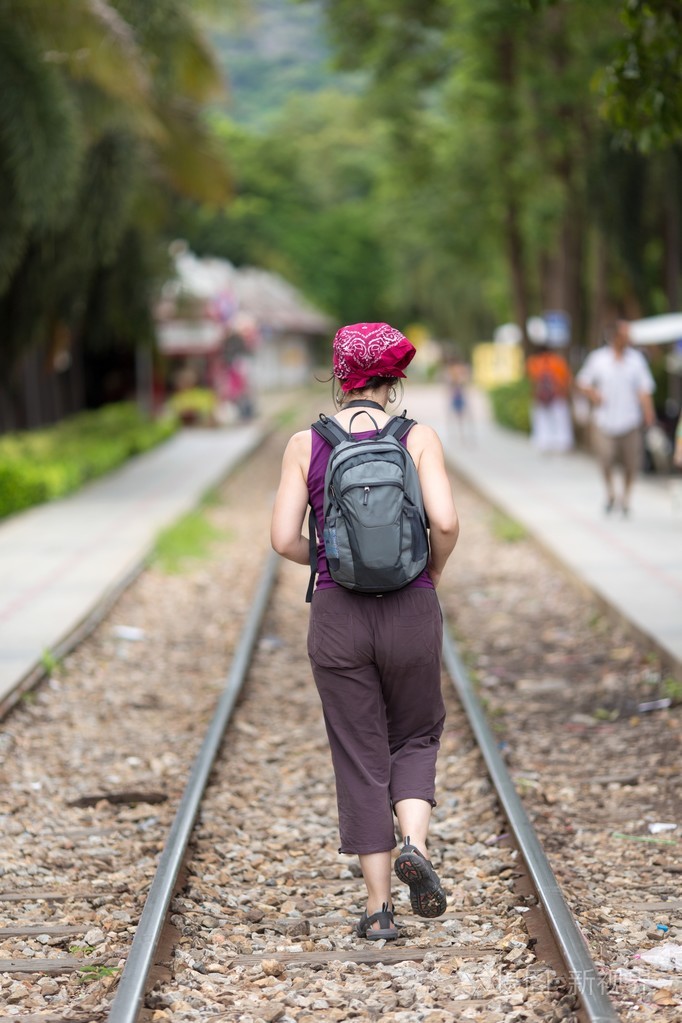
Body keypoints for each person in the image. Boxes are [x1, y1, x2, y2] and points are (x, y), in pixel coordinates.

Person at [270, 322, 460, 941]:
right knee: (416, 734)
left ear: (340, 375)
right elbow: (447, 522)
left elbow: (281, 539)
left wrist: (325, 558)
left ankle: (379, 910)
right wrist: (426, 570)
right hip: (410, 608)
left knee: (359, 756)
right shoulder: (418, 437)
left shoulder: (306, 443)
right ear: (393, 379)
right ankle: (414, 842)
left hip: (337, 614)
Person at [575, 320, 656, 515]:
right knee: (605, 458)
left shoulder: (636, 360)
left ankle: (626, 498)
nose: (629, 338)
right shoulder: (598, 359)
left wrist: (649, 413)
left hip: (630, 419)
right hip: (604, 419)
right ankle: (610, 492)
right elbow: (582, 381)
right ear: (615, 337)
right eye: (626, 334)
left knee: (631, 463)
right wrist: (594, 394)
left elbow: (644, 389)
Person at [525, 343, 574, 454]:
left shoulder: (534, 362)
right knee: (561, 422)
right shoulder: (558, 361)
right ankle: (563, 444)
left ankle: (543, 443)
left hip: (540, 399)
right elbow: (567, 379)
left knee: (542, 421)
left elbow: (532, 380)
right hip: (558, 396)